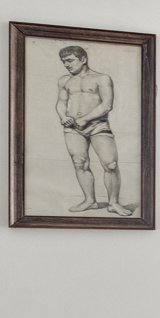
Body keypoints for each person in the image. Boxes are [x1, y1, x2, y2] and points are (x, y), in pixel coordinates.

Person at [54, 44, 127, 215]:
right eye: (64, 62)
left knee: (110, 164)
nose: (66, 65)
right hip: (73, 128)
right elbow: (61, 102)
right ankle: (90, 201)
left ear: (83, 59)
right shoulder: (64, 80)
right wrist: (63, 117)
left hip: (98, 125)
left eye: (70, 60)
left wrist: (85, 118)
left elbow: (107, 105)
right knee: (80, 163)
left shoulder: (102, 78)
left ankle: (114, 203)